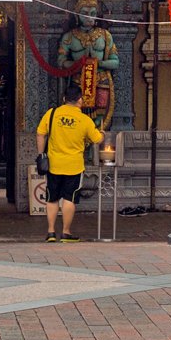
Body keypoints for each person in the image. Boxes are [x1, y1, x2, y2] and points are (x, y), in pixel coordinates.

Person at [36, 82, 102, 243]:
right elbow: (97, 139)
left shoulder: (52, 114)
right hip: (74, 166)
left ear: (64, 98)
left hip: (53, 164)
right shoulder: (84, 120)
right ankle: (66, 232)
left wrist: (41, 154)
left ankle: (51, 232)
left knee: (51, 198)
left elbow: (40, 134)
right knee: (69, 198)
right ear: (80, 100)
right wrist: (102, 134)